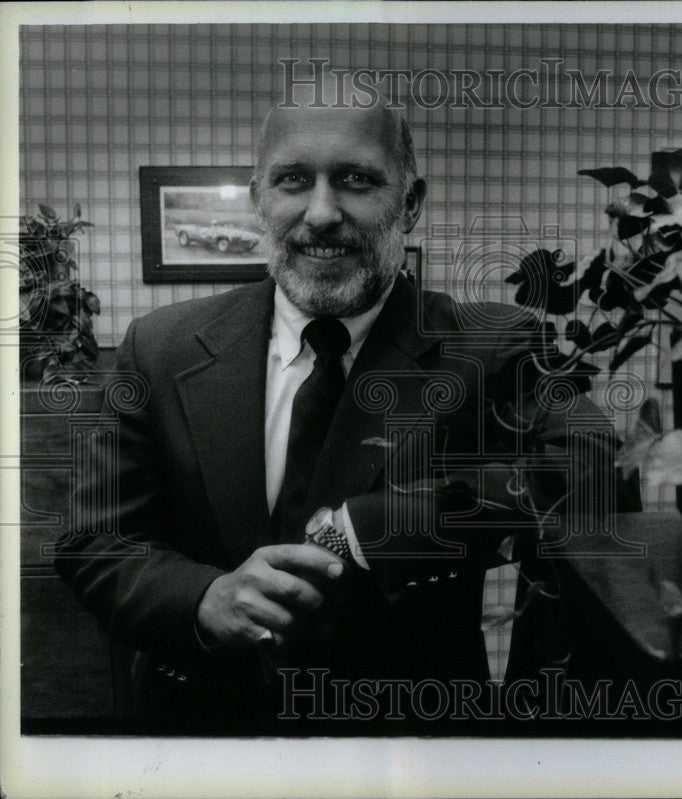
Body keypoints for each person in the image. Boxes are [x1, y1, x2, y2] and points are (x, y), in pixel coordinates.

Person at [54, 97, 615, 733]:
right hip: (199, 730)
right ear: (258, 199)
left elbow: (589, 468)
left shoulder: (488, 344)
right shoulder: (158, 347)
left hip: (403, 741)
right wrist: (202, 599)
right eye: (293, 179)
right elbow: (94, 540)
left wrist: (375, 528)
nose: (321, 213)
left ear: (410, 203)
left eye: (357, 179)